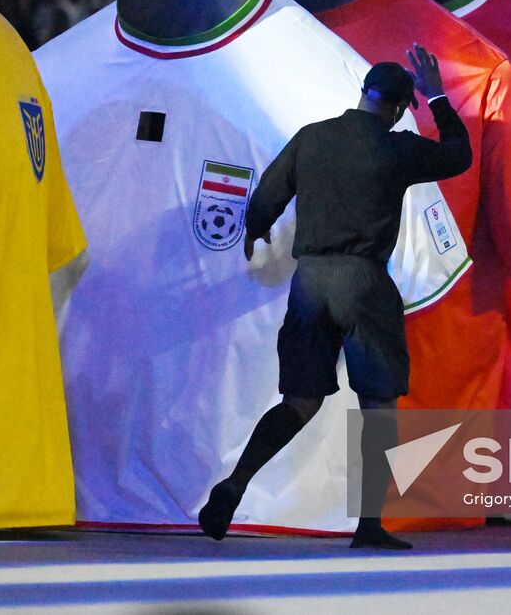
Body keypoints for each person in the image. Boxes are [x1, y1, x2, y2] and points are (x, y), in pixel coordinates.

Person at [198, 44, 473, 550]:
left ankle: (233, 485)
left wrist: (255, 235)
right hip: (363, 283)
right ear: (397, 107)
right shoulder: (398, 147)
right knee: (378, 405)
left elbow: (264, 202)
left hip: (310, 282)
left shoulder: (313, 138)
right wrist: (435, 96)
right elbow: (459, 155)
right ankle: (369, 525)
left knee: (299, 400)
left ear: (362, 93)